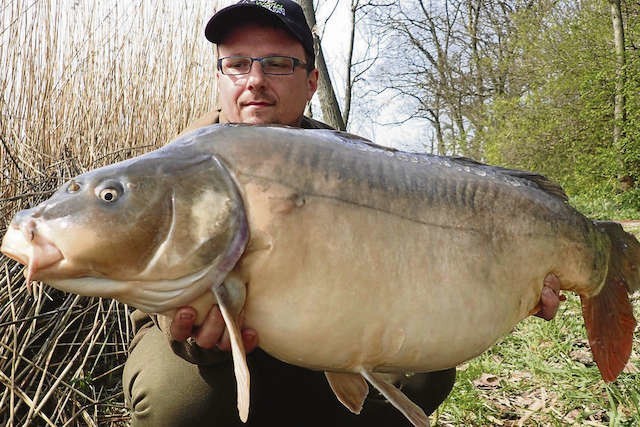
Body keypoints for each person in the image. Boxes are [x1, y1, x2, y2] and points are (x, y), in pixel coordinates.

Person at [122, 1, 563, 426]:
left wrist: (511, 284)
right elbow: (156, 292)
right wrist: (203, 339)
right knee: (174, 399)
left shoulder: (350, 166)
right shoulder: (174, 167)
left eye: (277, 63)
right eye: (237, 64)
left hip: (326, 325)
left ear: (312, 81)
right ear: (220, 77)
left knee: (425, 369)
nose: (254, 79)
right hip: (203, 352)